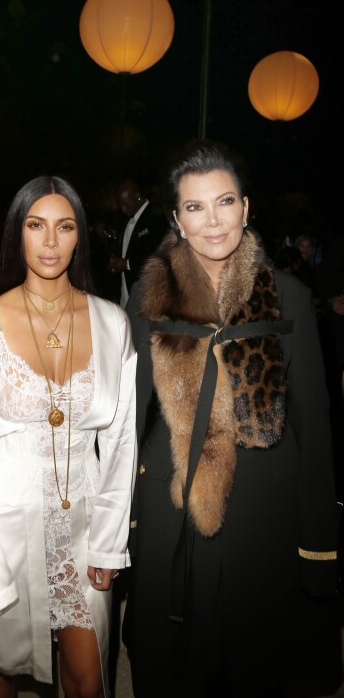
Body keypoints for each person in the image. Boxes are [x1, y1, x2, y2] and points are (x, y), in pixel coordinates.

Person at [122, 140, 339, 697]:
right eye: (194, 207)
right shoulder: (148, 302)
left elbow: (315, 428)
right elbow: (127, 422)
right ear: (175, 218)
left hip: (264, 514)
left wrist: (319, 547)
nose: (212, 221)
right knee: (176, 667)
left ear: (247, 207)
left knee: (256, 662)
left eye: (225, 202)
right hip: (173, 504)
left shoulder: (289, 296)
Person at [0, 176, 137, 698]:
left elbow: (122, 442)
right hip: (4, 526)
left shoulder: (112, 322)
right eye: (37, 226)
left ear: (81, 236)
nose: (51, 241)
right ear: (18, 235)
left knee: (89, 679)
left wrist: (109, 544)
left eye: (65, 227)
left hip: (83, 527)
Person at [108, 179, 164, 309]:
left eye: (126, 204)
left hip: (147, 293)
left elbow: (160, 256)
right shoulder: (128, 219)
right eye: (120, 205)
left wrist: (127, 263)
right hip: (126, 289)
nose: (123, 209)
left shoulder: (156, 217)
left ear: (138, 197)